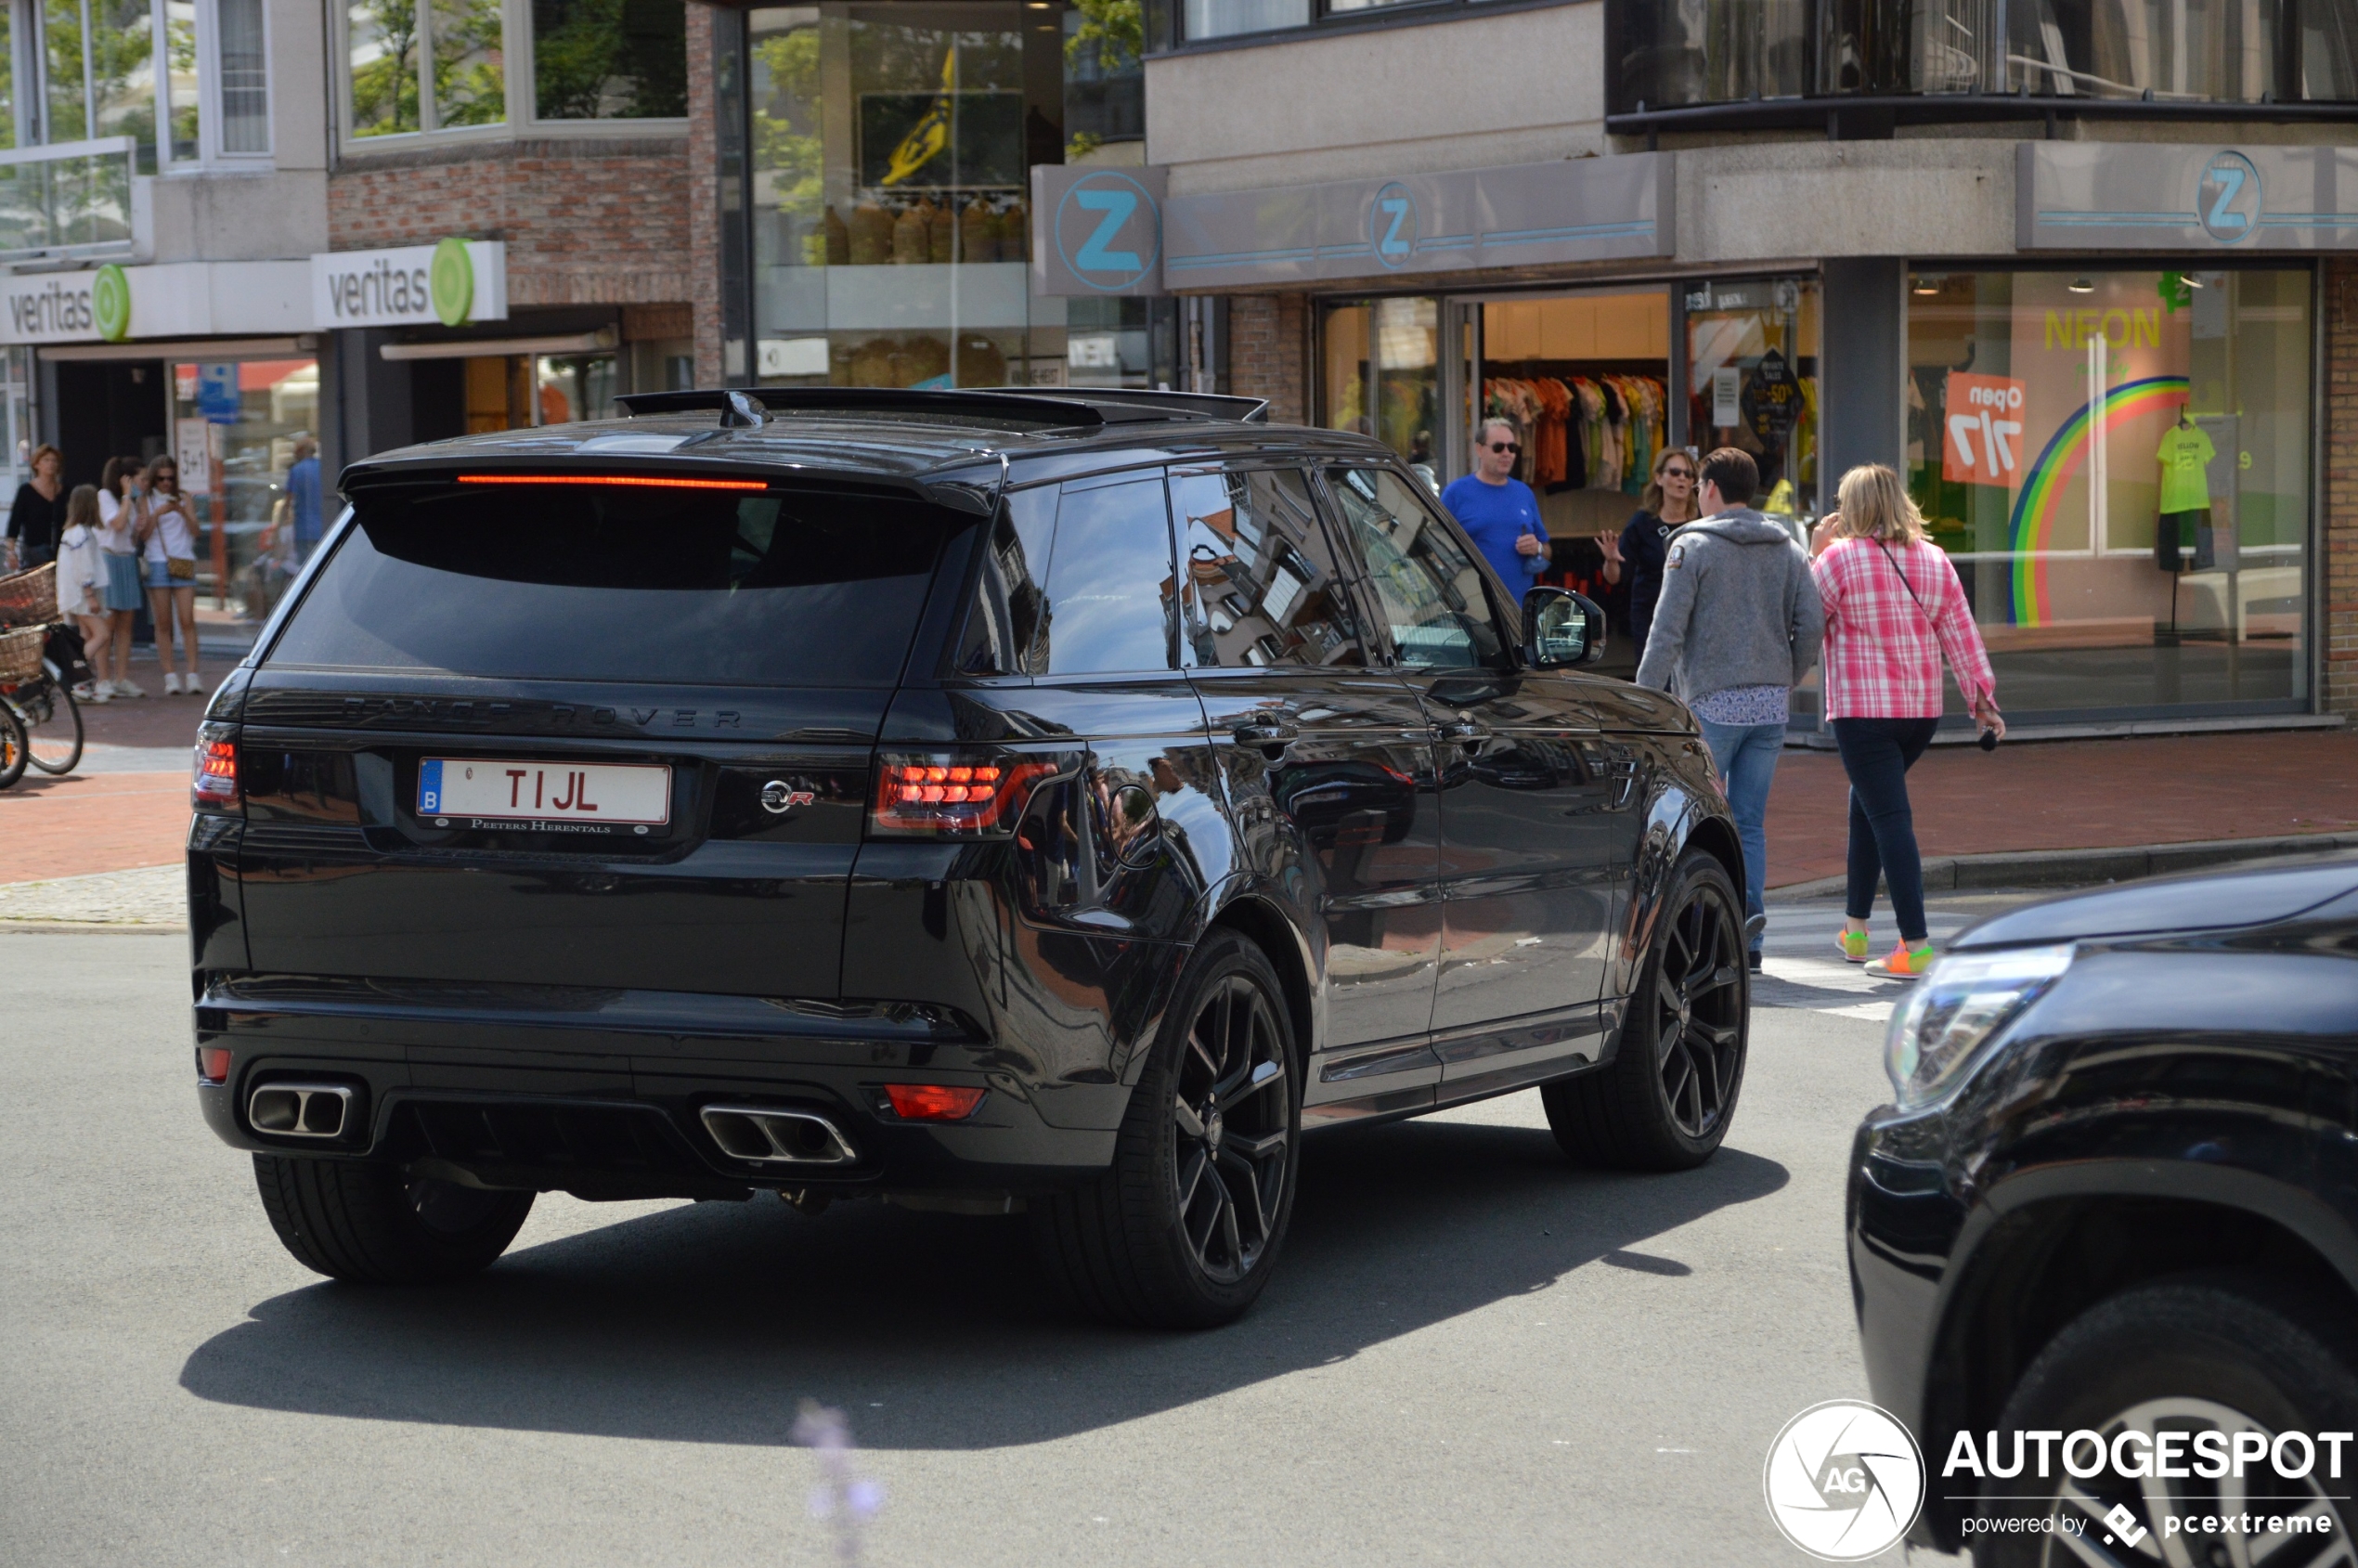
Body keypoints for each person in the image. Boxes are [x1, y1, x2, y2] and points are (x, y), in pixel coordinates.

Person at [1634, 447, 1824, 972]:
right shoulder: (1788, 547)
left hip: (1712, 702)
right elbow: (1811, 623)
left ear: (1712, 489)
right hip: (1769, 704)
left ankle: (1703, 936)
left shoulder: (1691, 547)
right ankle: (1750, 936)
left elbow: (1666, 631)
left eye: (1699, 485)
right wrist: (1786, 675)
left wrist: (1645, 699)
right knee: (1750, 822)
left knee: (1694, 822)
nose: (1696, 493)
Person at [1810, 463, 2003, 978]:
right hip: (1920, 713)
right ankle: (1854, 929)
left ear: (1851, 507)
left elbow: (1803, 620)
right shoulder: (1935, 560)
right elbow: (1961, 635)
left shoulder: (1838, 560)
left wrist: (1814, 552)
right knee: (1868, 805)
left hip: (1863, 713)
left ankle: (1915, 945)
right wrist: (1982, 700)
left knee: (1890, 818)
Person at [1440, 418, 1548, 593]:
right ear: (1479, 449)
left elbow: (1547, 549)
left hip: (1517, 610)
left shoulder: (1524, 492)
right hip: (1472, 608)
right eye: (1499, 447)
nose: (1506, 453)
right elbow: (1434, 550)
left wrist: (1538, 548)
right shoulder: (1456, 493)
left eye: (1511, 448)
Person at [1616, 447, 1702, 655]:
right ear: (1659, 478)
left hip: (1693, 617)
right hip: (1651, 617)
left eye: (1688, 474)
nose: (1682, 478)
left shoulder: (1702, 522)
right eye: (1675, 472)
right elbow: (1617, 577)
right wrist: (1610, 561)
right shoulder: (1642, 523)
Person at [131, 453, 202, 696]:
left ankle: (192, 674)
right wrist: (158, 513)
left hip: (182, 559)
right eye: (161, 479)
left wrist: (181, 511)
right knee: (163, 622)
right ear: (154, 479)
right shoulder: (145, 499)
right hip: (157, 561)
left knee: (187, 620)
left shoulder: (184, 497)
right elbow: (144, 535)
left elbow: (196, 532)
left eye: (170, 478)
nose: (166, 483)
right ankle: (170, 676)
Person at [53, 485, 110, 703]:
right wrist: (90, 594)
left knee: (84, 636)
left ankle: (81, 683)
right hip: (80, 595)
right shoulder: (81, 533)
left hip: (73, 593)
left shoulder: (73, 531)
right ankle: (73, 675)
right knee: (102, 634)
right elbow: (82, 566)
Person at [94, 457, 146, 697]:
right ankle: (103, 679)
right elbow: (116, 523)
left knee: (126, 624)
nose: (141, 483)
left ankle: (121, 677)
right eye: (138, 478)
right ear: (125, 479)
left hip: (126, 559)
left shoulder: (131, 501)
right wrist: (127, 496)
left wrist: (138, 504)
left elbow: (134, 532)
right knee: (109, 623)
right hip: (109, 560)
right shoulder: (105, 496)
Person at [4, 443, 67, 570]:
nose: (51, 464)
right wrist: (11, 552)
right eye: (46, 460)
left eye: (54, 461)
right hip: (34, 553)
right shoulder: (26, 491)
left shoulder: (64, 491)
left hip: (61, 551)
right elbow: (14, 524)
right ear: (36, 464)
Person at [284, 436, 324, 563]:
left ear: (301, 451)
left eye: (295, 451)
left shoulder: (296, 470)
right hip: (325, 526)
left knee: (305, 565)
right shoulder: (323, 467)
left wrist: (283, 521)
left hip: (304, 529)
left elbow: (288, 501)